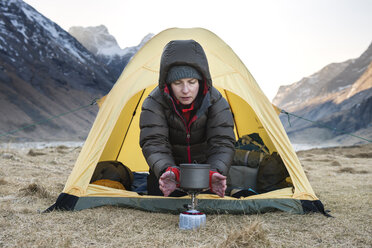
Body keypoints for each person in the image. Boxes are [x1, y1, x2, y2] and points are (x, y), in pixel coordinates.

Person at [139, 39, 235, 197]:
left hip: (207, 174)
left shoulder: (216, 102)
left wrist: (214, 171)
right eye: (177, 83)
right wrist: (168, 170)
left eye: (191, 82)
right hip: (169, 176)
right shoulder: (153, 103)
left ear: (201, 81)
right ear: (168, 84)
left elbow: (222, 142)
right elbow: (154, 142)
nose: (185, 90)